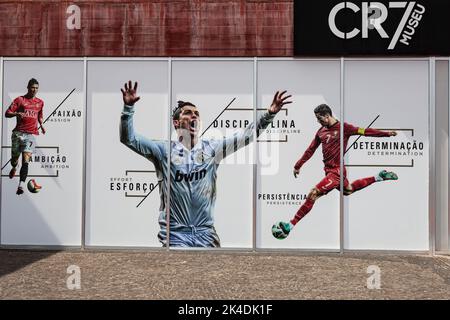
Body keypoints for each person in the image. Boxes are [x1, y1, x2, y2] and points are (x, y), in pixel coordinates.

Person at [120, 81, 292, 247]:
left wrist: (269, 114)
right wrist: (128, 109)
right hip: (175, 234)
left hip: (206, 233)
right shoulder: (163, 151)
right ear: (176, 122)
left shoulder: (212, 149)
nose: (194, 115)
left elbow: (246, 136)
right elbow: (129, 139)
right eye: (188, 112)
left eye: (197, 113)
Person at [273, 104, 397, 239]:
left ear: (327, 116)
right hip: (329, 171)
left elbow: (365, 131)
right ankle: (378, 177)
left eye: (319, 118)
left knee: (313, 193)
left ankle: (290, 225)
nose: (318, 121)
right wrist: (298, 165)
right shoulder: (321, 131)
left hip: (337, 172)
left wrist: (386, 134)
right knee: (348, 190)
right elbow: (310, 149)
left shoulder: (345, 128)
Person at [5, 78, 45, 195]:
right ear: (28, 87)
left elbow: (40, 116)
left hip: (30, 135)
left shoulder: (40, 102)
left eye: (36, 88)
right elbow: (7, 113)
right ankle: (14, 167)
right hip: (18, 134)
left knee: (26, 161)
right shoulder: (20, 100)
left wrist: (41, 125)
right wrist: (16, 113)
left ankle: (21, 185)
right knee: (14, 160)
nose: (34, 90)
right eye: (32, 87)